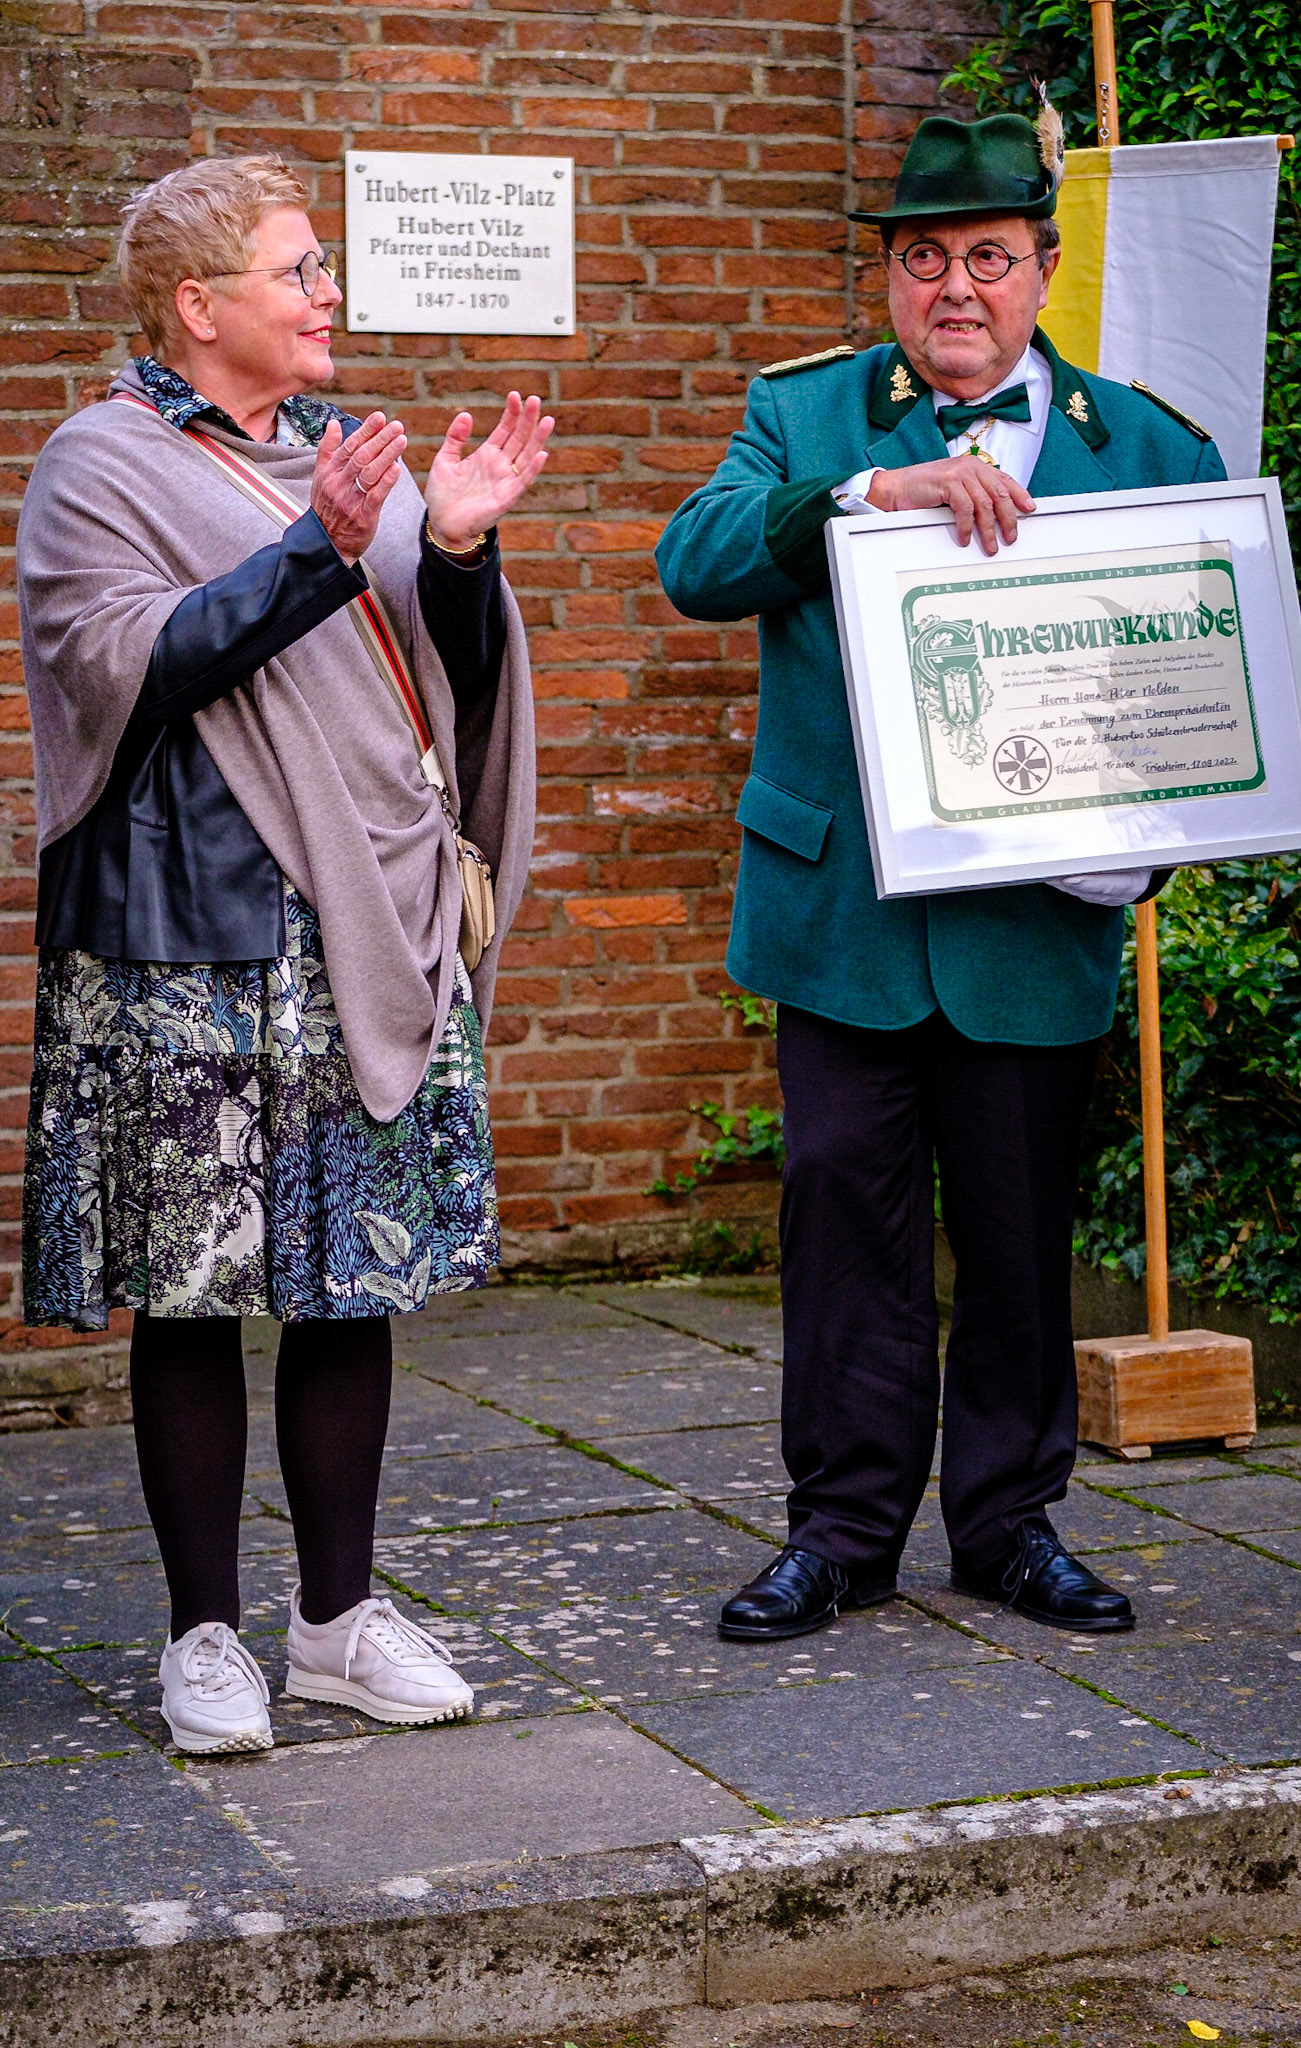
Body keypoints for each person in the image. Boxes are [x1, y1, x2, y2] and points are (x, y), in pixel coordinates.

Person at [656, 113, 1226, 1642]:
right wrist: (861, 501)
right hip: (840, 913)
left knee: (1021, 1231)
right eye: (923, 258)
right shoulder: (808, 419)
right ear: (890, 281)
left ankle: (1008, 1525)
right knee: (843, 1227)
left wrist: (1144, 847)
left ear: (1043, 269)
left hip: (1035, 924)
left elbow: (1198, 683)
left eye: (987, 256)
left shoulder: (1152, 447)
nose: (954, 285)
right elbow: (694, 563)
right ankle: (838, 1534)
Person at [17, 156, 552, 1752]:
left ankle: (334, 1620)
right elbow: (132, 663)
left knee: (349, 1287)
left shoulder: (350, 452)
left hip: (358, 923)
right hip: (181, 931)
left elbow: (442, 689)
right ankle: (202, 1635)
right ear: (200, 307)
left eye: (322, 270)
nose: (327, 297)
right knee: (189, 1297)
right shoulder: (92, 463)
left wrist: (452, 551)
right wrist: (319, 550)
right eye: (296, 272)